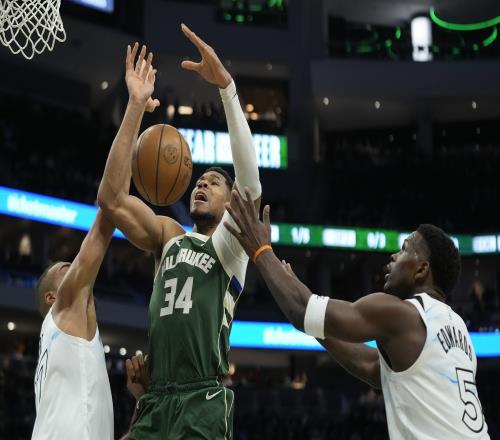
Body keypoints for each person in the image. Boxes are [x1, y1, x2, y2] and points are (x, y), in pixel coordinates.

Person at [97, 25, 261, 439]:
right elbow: (111, 198)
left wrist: (226, 88)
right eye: (199, 180)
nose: (202, 184)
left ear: (230, 204)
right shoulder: (168, 236)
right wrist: (136, 106)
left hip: (202, 399)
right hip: (155, 398)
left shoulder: (230, 245)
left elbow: (249, 184)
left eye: (214, 183)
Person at [224, 188, 490, 440]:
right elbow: (371, 366)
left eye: (404, 249)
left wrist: (261, 251)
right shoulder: (458, 328)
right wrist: (320, 324)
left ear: (421, 270)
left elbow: (302, 310)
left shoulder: (400, 313)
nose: (393, 256)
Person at [32, 210, 115, 440]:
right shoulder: (61, 312)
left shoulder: (62, 344)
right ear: (52, 298)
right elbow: (98, 236)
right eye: (66, 272)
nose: (76, 272)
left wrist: (140, 402)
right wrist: (110, 202)